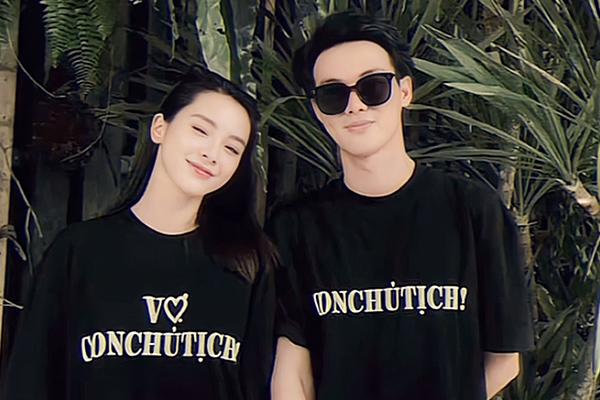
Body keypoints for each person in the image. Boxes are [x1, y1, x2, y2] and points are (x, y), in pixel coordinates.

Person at [268, 11, 534, 400]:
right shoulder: (295, 226)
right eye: (333, 94)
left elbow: (505, 357)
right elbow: (292, 372)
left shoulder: (473, 209)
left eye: (373, 87)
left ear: (405, 92)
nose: (355, 106)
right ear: (317, 110)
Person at [2, 69, 275, 400]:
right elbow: (30, 380)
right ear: (160, 127)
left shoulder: (249, 264)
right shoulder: (79, 252)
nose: (212, 153)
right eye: (200, 130)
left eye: (232, 148)